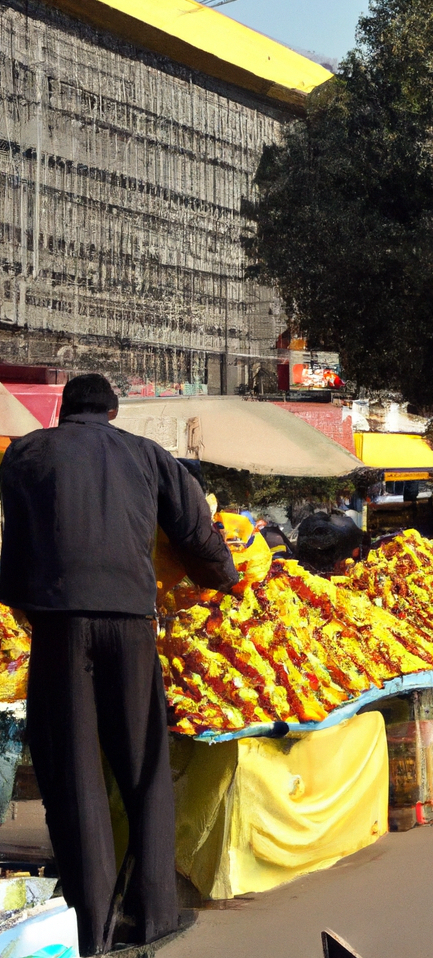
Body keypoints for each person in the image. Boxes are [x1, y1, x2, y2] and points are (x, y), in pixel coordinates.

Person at [0, 374, 238, 956]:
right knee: (143, 765)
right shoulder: (147, 455)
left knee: (74, 771)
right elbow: (195, 531)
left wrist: (25, 602)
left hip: (58, 624)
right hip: (131, 622)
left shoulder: (25, 453)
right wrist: (225, 579)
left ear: (63, 411)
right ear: (112, 411)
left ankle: (93, 926)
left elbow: (16, 538)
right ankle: (155, 915)